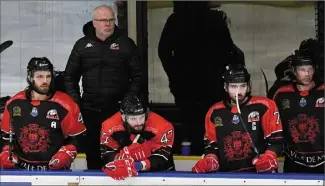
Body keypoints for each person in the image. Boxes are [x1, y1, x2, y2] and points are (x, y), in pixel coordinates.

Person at [158, 1, 244, 155]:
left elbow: (163, 52)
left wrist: (175, 76)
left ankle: (200, 154)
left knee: (197, 123)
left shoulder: (180, 19)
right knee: (209, 121)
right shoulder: (212, 19)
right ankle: (209, 155)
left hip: (197, 84)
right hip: (200, 84)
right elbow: (229, 51)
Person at [64, 5, 143, 169]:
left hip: (117, 111)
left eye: (111, 20)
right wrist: (76, 103)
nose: (107, 24)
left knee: (118, 155)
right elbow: (70, 76)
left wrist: (127, 101)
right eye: (103, 20)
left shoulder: (126, 44)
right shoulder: (82, 45)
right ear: (94, 23)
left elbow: (138, 76)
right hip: (90, 110)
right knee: (92, 154)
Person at [192, 64, 283, 173]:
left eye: (242, 86)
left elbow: (276, 140)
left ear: (248, 86)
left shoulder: (265, 106)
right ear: (226, 87)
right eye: (234, 86)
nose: (238, 91)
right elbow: (212, 147)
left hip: (260, 175)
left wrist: (270, 156)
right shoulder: (214, 112)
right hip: (226, 176)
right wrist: (210, 160)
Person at [0, 57, 86, 171]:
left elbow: (79, 137)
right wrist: (6, 151)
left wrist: (68, 152)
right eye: (40, 76)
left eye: (48, 76)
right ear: (30, 77)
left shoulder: (67, 105)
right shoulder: (14, 104)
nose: (45, 81)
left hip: (56, 171)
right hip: (20, 170)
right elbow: (6, 136)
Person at [100, 95, 175, 180]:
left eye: (141, 117)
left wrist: (140, 165)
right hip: (124, 176)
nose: (139, 122)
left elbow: (162, 156)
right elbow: (106, 154)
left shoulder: (163, 126)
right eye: (133, 119)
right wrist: (121, 159)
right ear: (123, 117)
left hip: (161, 175)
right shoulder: (109, 126)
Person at [272, 51, 324, 173]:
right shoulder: (281, 94)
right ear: (294, 71)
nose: (307, 73)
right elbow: (274, 127)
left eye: (310, 69)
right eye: (302, 69)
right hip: (294, 161)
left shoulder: (322, 91)